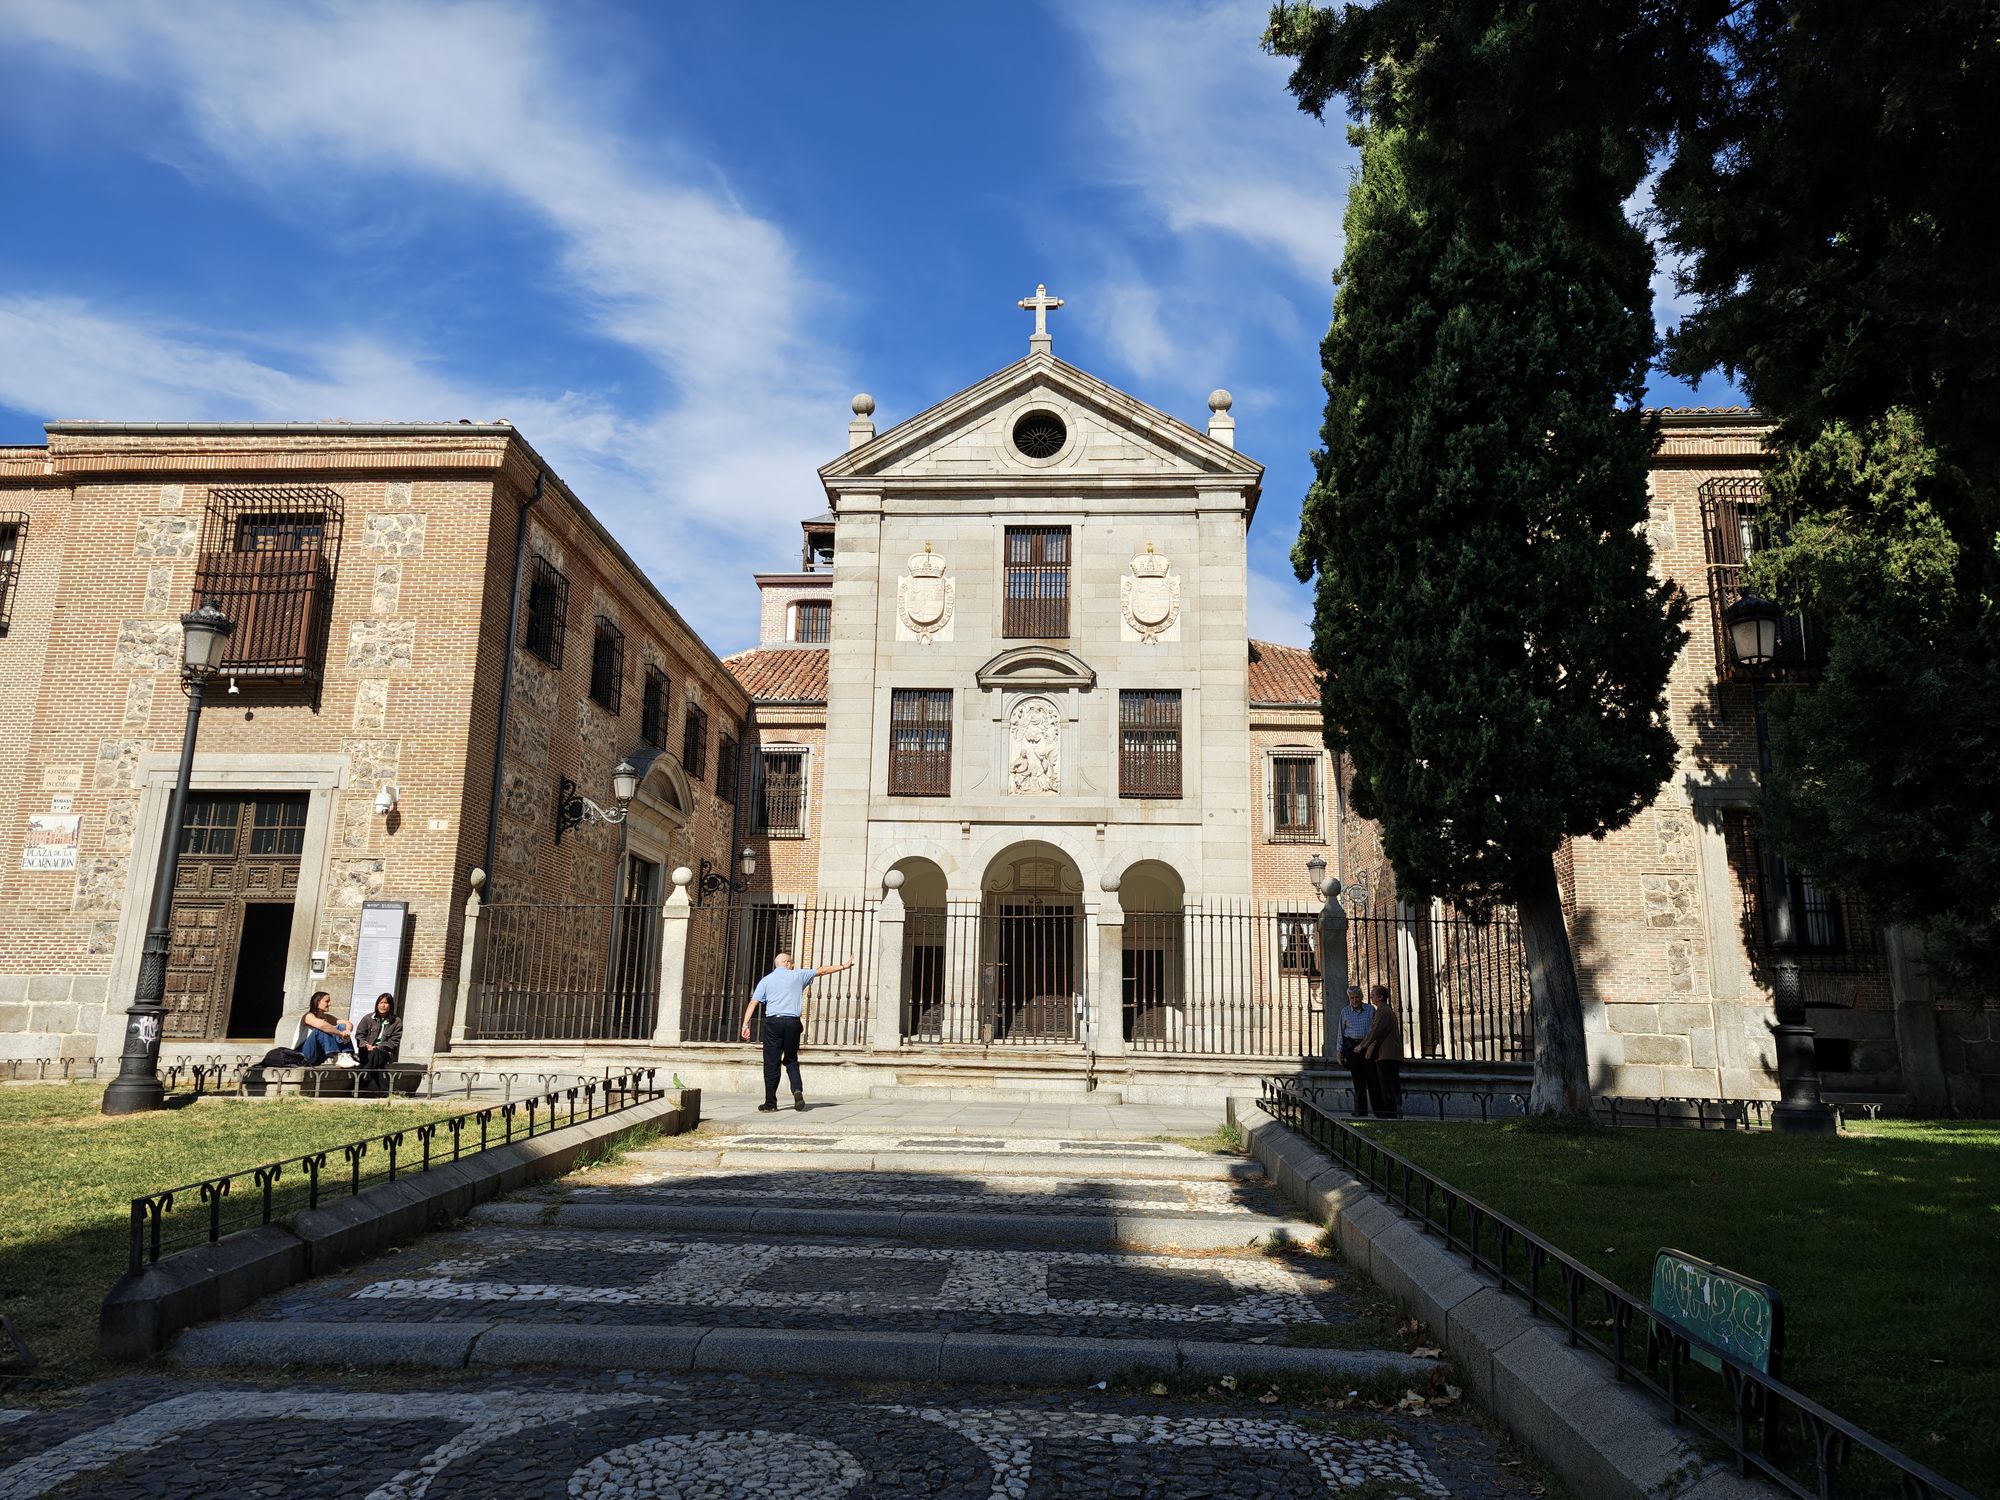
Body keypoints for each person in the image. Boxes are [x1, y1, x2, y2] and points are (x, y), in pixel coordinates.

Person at [738, 951, 856, 1112]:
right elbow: (822, 970)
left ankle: (770, 1103)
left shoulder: (766, 980)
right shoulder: (798, 975)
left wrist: (745, 1024)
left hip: (773, 1023)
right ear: (787, 963)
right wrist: (843, 966)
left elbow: (753, 1002)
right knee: (791, 1059)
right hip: (792, 1023)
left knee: (771, 1063)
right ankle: (797, 1089)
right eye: (792, 963)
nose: (793, 966)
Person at [1360, 982, 1403, 1119]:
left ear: (1380, 997)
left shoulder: (1382, 1011)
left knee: (1386, 1083)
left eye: (1373, 995)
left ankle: (1391, 1112)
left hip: (1386, 1053)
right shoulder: (1386, 1010)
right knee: (1391, 1082)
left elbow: (1375, 1030)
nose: (1371, 998)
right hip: (1389, 1052)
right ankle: (1394, 1110)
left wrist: (1363, 1045)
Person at [1337, 984, 1376, 1116]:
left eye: (1357, 997)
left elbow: (1374, 1029)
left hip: (1367, 1047)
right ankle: (1361, 1111)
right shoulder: (1345, 1012)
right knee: (1357, 1080)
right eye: (1352, 998)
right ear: (1349, 998)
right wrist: (1339, 1052)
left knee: (1372, 1078)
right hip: (1351, 1048)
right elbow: (1341, 1032)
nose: (1355, 1000)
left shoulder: (1370, 1010)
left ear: (1362, 997)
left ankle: (1378, 1110)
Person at [354, 992, 401, 1093]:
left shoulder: (396, 1021)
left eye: (386, 1003)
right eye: (380, 1003)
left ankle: (362, 1082)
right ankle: (385, 1091)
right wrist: (366, 1045)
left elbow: (394, 1041)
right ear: (376, 1005)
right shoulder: (367, 1018)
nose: (383, 1006)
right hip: (366, 1051)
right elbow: (359, 1036)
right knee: (377, 1063)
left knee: (376, 1053)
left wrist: (378, 1047)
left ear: (390, 1005)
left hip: (385, 1052)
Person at [297, 990, 354, 1066]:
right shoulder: (308, 1016)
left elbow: (347, 1023)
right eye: (327, 1001)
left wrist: (347, 1031)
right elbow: (322, 1025)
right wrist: (341, 1034)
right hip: (305, 1053)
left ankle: (346, 1054)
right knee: (321, 1029)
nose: (329, 1004)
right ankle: (334, 1055)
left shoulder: (326, 1016)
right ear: (317, 1002)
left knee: (342, 1026)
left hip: (320, 1053)